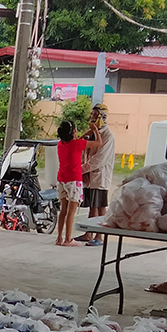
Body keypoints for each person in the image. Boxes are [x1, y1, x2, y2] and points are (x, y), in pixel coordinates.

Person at [55, 118, 102, 247]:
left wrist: (84, 134)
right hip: (74, 180)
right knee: (71, 212)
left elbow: (75, 139)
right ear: (73, 132)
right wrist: (95, 131)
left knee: (63, 210)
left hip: (61, 179)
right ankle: (68, 239)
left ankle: (59, 238)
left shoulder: (60, 144)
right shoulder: (77, 144)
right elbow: (99, 142)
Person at [75, 103, 115, 246]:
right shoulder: (93, 132)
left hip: (99, 176)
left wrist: (82, 169)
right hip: (90, 176)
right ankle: (89, 233)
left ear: (101, 117)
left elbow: (99, 159)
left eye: (94, 115)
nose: (91, 118)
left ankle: (99, 236)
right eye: (91, 115)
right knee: (93, 206)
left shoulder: (107, 135)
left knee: (100, 207)